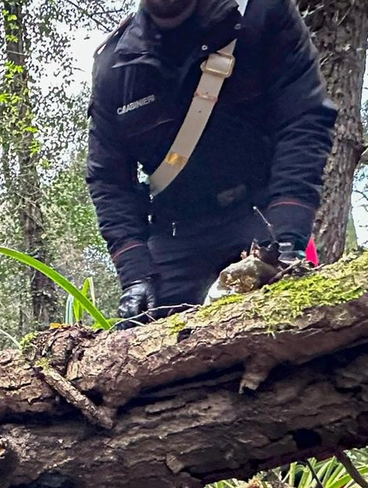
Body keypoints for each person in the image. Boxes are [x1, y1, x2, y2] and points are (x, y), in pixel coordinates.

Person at [85, 0, 336, 325]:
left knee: (295, 332)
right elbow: (109, 179)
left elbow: (304, 119)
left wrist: (287, 236)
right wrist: (135, 273)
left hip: (261, 215)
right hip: (174, 233)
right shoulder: (115, 66)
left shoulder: (262, 13)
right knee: (148, 355)